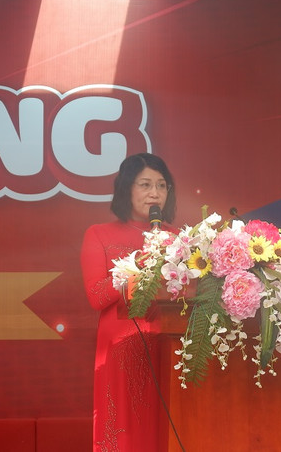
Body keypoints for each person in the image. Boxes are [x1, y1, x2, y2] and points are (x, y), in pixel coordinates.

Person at [80, 153, 177, 452]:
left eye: (161, 185)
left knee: (167, 428)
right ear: (127, 188)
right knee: (125, 433)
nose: (154, 193)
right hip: (121, 351)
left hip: (170, 346)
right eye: (145, 184)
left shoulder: (179, 238)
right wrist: (138, 265)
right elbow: (97, 296)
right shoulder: (98, 234)